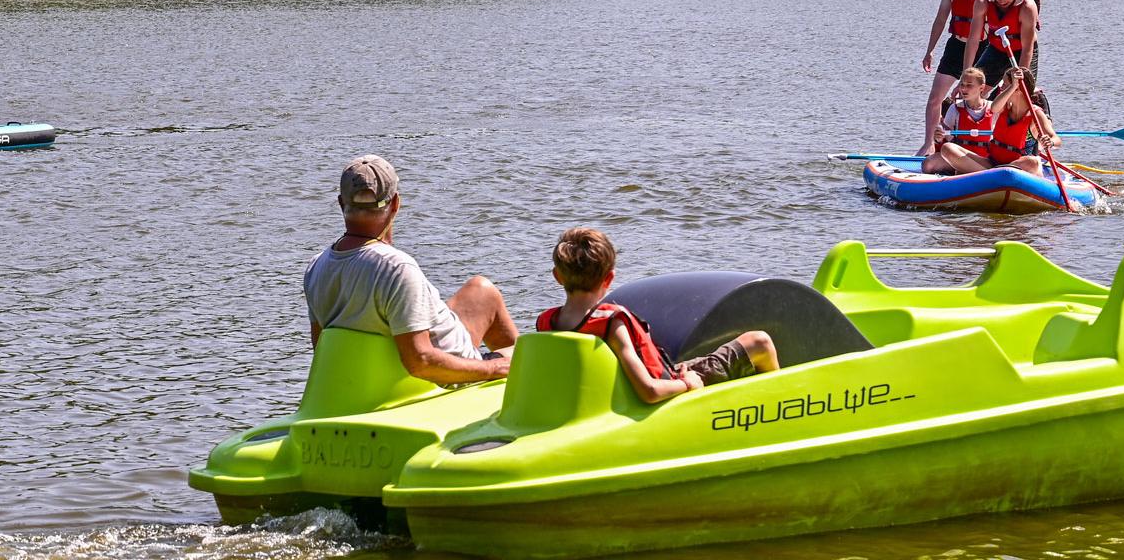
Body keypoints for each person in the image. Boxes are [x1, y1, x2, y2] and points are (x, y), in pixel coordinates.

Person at [304, 155, 516, 386]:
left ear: (341, 204)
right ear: (395, 203)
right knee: (525, 355)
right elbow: (420, 361)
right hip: (442, 378)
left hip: (369, 380)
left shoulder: (316, 266)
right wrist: (493, 367)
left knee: (481, 291)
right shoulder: (396, 267)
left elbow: (323, 354)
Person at [541, 227, 779, 403]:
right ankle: (776, 411)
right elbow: (650, 391)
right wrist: (686, 383)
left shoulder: (547, 322)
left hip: (614, 393)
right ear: (609, 278)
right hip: (671, 383)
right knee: (759, 342)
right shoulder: (612, 323)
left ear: (558, 276)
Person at [919, 0, 991, 155]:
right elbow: (941, 19)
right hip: (956, 45)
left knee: (972, 99)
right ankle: (929, 143)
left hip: (982, 48)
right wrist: (929, 50)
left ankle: (972, 147)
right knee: (935, 98)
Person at [926, 66, 1060, 177]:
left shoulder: (1036, 113)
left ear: (1019, 89)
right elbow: (994, 108)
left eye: (1005, 85)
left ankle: (985, 175)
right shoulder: (1004, 107)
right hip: (993, 163)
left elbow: (1056, 139)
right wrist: (1013, 86)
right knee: (947, 149)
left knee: (1033, 162)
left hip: (1019, 165)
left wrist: (1050, 141)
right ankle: (990, 176)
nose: (1001, 89)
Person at [963, 0, 1040, 83]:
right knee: (972, 84)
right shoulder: (982, 2)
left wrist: (1020, 77)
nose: (1002, 1)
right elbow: (973, 40)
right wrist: (966, 73)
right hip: (997, 49)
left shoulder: (1027, 7)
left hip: (1022, 50)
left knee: (1019, 92)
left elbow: (1027, 49)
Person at [920, 67, 994, 174]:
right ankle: (983, 174)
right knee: (928, 164)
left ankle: (980, 173)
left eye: (969, 85)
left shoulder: (993, 108)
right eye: (962, 85)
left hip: (985, 159)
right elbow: (946, 139)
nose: (964, 89)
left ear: (981, 88)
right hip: (959, 157)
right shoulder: (955, 109)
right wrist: (938, 138)